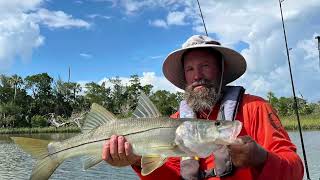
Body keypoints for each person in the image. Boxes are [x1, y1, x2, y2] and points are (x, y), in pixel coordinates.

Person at [101, 35, 304, 180]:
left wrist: (261, 158)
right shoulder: (174, 121)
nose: (197, 75)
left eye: (205, 66)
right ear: (185, 77)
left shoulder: (256, 107)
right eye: (190, 69)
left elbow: (295, 169)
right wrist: (136, 160)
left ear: (221, 70)